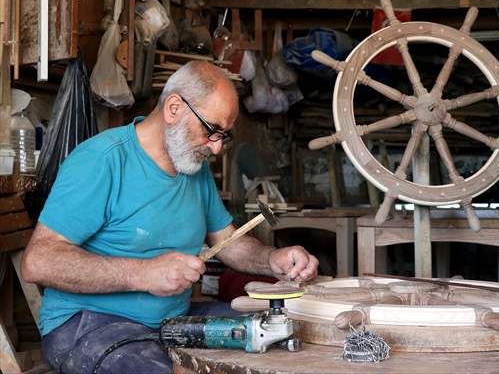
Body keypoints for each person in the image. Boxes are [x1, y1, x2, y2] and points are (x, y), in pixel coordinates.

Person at [21, 61, 319, 374]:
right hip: (90, 325)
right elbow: (39, 261)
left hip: (170, 323)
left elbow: (228, 242)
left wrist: (272, 259)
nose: (216, 148)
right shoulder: (102, 161)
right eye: (210, 131)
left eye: (224, 136)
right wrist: (143, 274)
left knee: (273, 339)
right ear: (174, 107)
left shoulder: (193, 167)